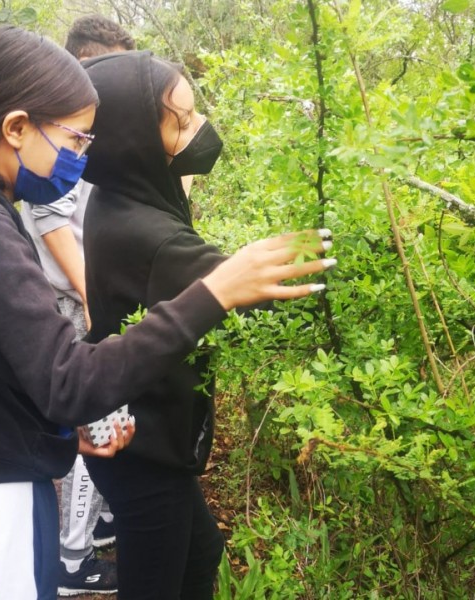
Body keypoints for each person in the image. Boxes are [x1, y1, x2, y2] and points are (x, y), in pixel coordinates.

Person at [0, 26, 333, 600]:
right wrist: (216, 292)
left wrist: (54, 427)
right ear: (16, 128)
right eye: (76, 140)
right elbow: (69, 382)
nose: (83, 157)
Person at [78, 51, 336, 599]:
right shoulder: (155, 238)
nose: (199, 130)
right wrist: (353, 249)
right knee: (160, 582)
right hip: (144, 450)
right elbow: (260, 294)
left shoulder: (116, 196)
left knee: (199, 561)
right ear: (136, 139)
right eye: (183, 121)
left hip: (134, 428)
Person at [19, 14, 136, 597]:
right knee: (92, 423)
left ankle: (98, 531)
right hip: (72, 301)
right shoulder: (66, 131)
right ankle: (71, 561)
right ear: (85, 63)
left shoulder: (88, 131)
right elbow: (51, 221)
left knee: (105, 420)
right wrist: (97, 304)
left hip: (87, 296)